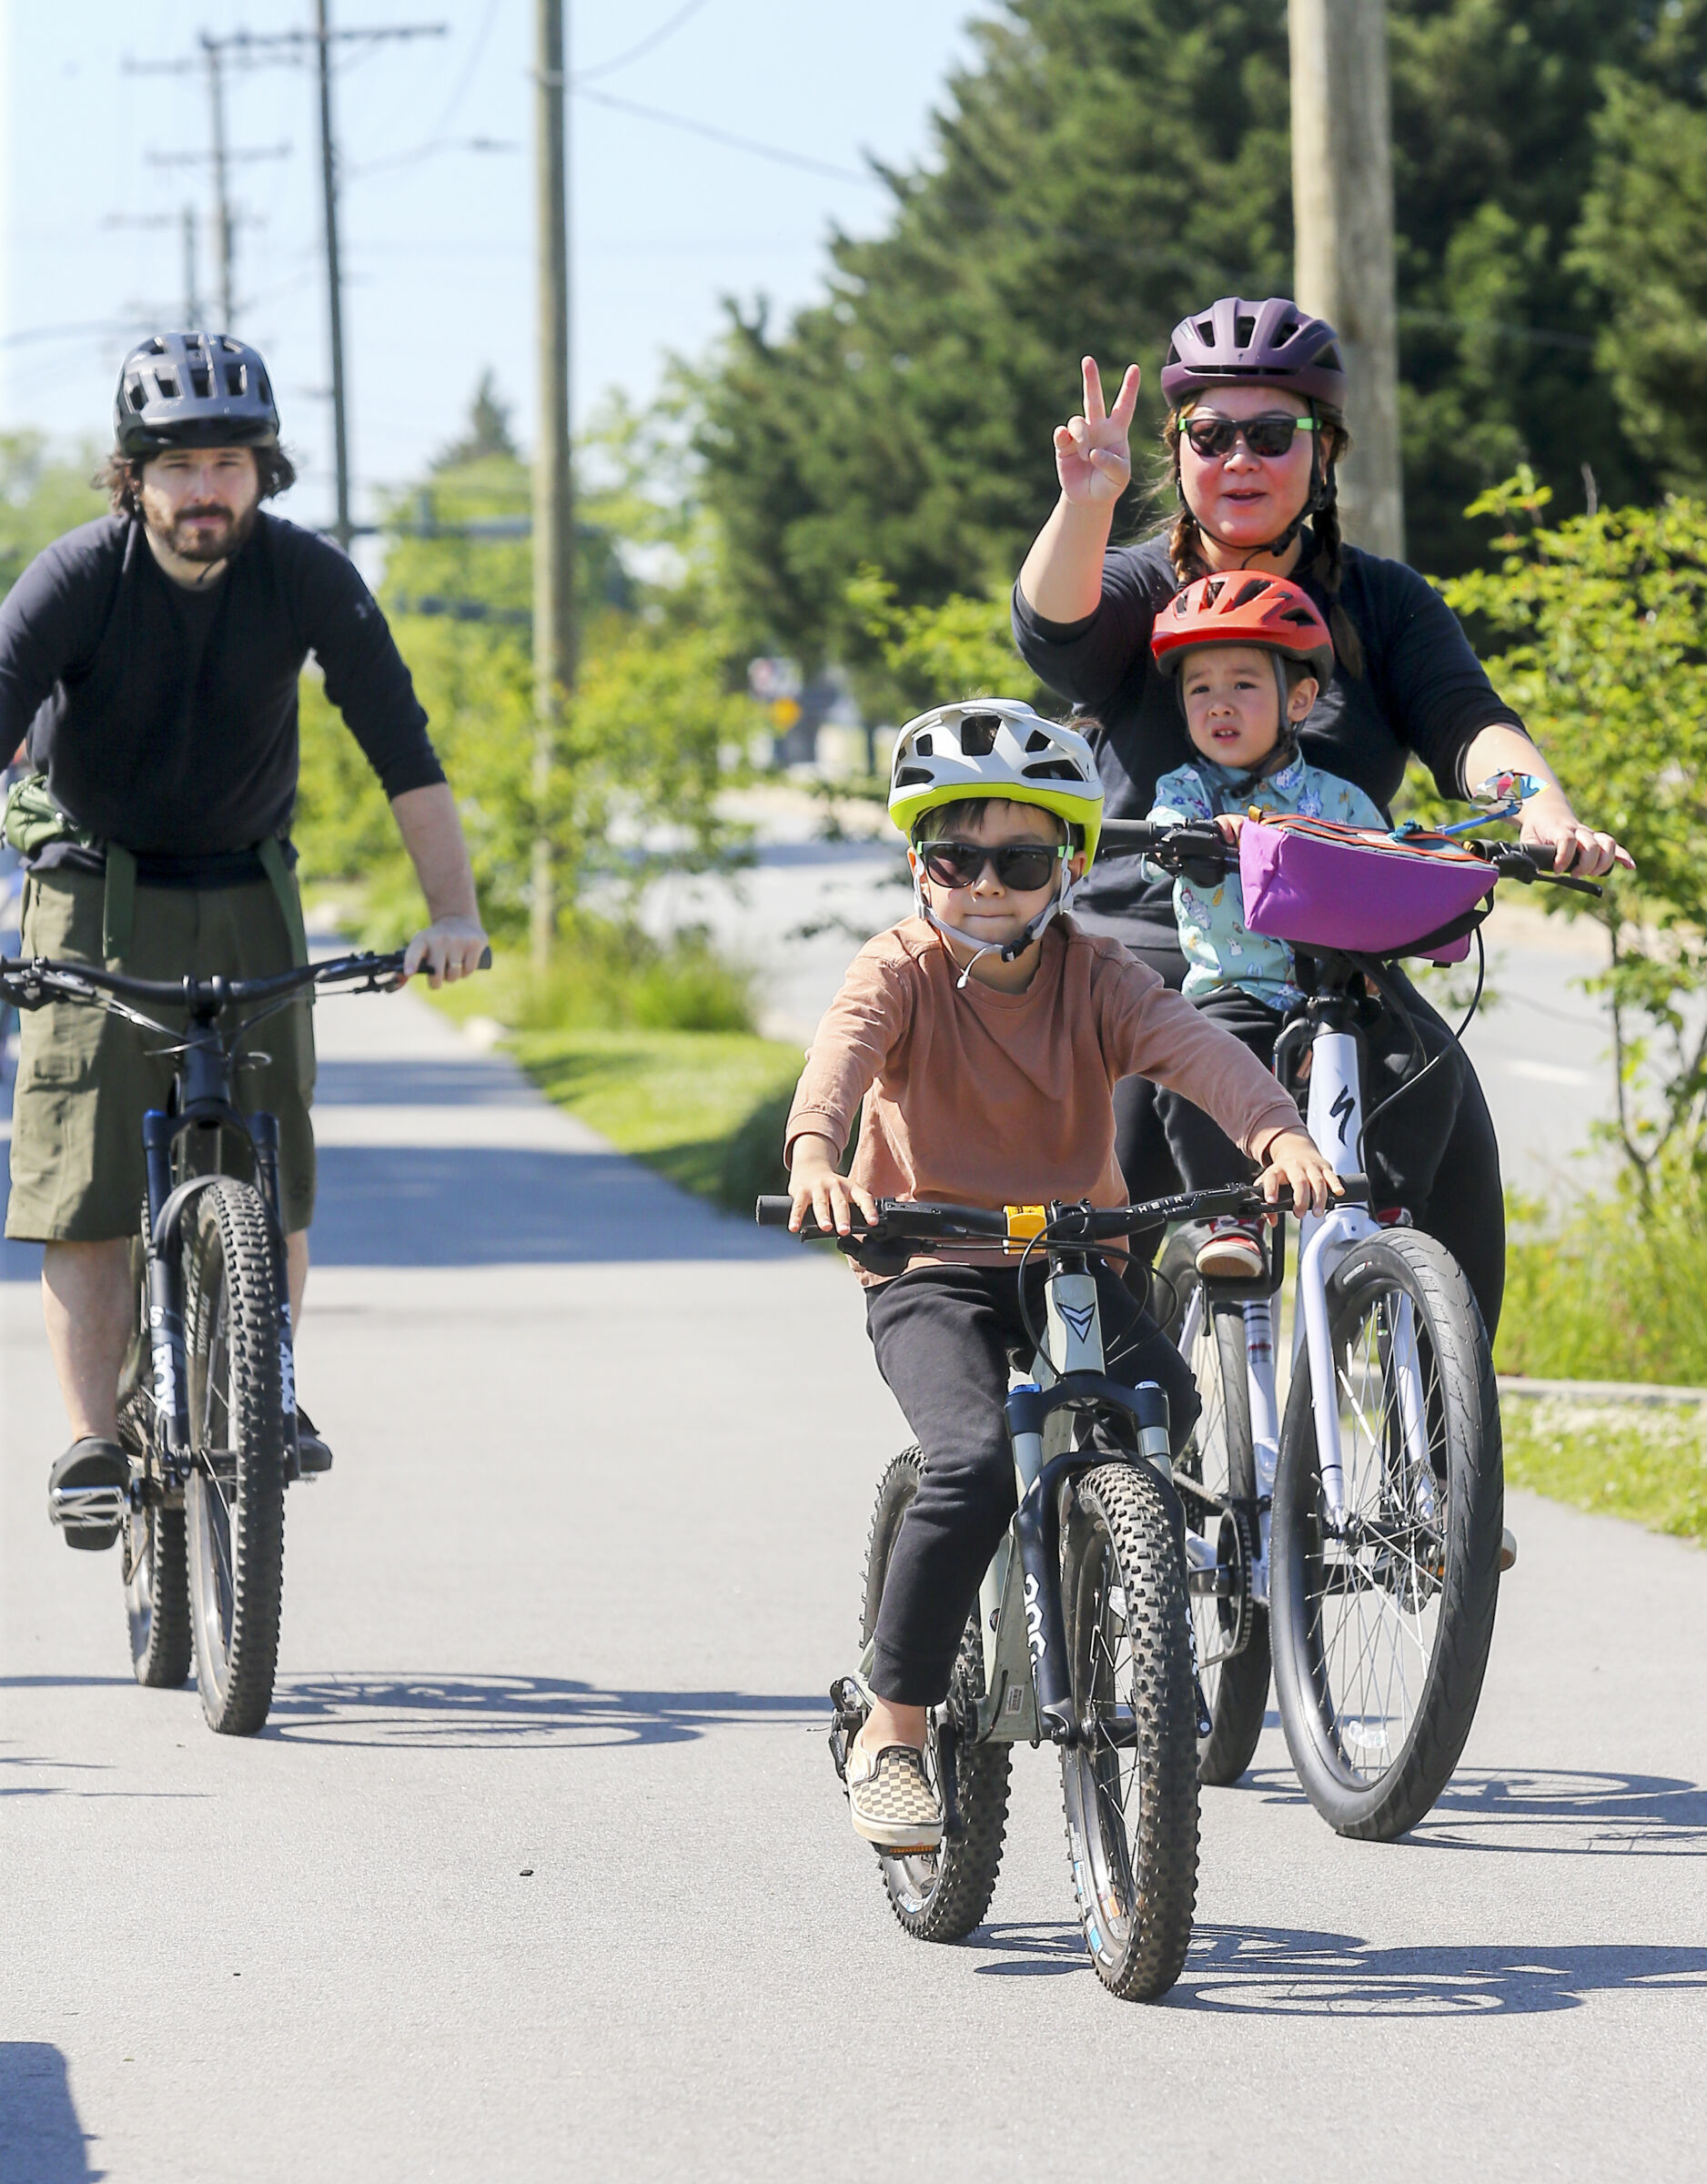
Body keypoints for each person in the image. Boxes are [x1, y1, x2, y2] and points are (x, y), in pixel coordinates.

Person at [1012, 296, 1632, 1336]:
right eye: (1211, 436)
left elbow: (1472, 728)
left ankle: (1435, 1449)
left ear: (1324, 449)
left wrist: (1539, 815)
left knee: (1442, 1122)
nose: (1240, 458)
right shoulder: (1135, 585)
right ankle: (1099, 1446)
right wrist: (1087, 502)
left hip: (1334, 952)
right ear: (1179, 451)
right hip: (1155, 952)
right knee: (1098, 1193)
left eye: (1272, 433)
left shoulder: (1382, 603)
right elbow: (1053, 628)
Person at [783, 698, 1340, 1851]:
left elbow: (1200, 1051)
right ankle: (890, 1729)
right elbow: (836, 1060)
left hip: (1068, 1260)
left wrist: (1278, 1136)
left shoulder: (1098, 978)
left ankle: (1119, 1595)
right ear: (916, 862)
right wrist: (817, 1161)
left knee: (1166, 1407)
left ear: (1069, 866)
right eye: (956, 856)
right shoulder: (899, 968)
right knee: (974, 1461)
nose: (986, 882)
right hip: (927, 1263)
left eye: (1022, 858)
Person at [0, 330, 489, 1549]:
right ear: (134, 476)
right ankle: (94, 1444)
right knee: (89, 1183)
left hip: (248, 882)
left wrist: (454, 916)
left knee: (272, 1167)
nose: (205, 489)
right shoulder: (74, 579)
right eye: (178, 466)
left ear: (262, 472)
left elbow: (403, 752)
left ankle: (257, 1382)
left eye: (228, 462)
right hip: (92, 884)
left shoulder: (307, 577)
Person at [1143, 570, 1467, 1279]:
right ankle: (1229, 1213)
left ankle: (1383, 1206)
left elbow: (1383, 868)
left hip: (1344, 989)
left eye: (1243, 686)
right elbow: (1161, 839)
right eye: (1200, 689)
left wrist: (1429, 855)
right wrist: (1196, 837)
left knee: (1425, 1057)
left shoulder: (1339, 798)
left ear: (1299, 699)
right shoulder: (1183, 792)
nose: (1219, 704)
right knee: (1194, 1066)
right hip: (1237, 988)